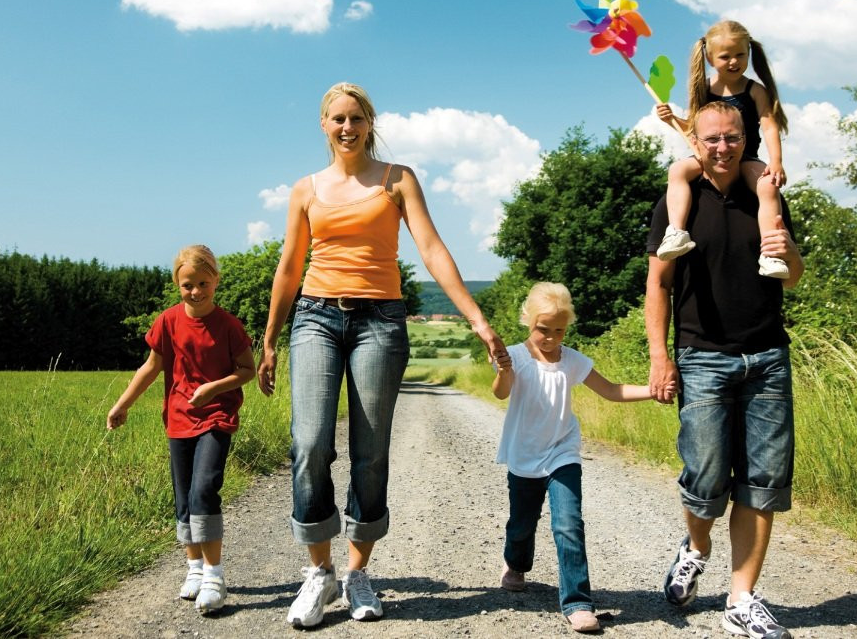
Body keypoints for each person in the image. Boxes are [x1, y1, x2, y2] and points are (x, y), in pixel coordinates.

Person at [257, 81, 507, 629]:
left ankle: (357, 571)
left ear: (370, 123)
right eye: (337, 119)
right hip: (316, 316)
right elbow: (288, 267)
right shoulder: (305, 190)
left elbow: (432, 248)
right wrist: (270, 337)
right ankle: (319, 573)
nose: (347, 128)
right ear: (323, 125)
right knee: (309, 441)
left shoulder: (398, 180)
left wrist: (477, 318)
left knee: (370, 450)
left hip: (380, 321)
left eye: (357, 118)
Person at [645, 102, 804, 639]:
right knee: (706, 476)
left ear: (745, 139)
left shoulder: (767, 192)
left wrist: (789, 253)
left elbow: (793, 274)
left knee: (762, 480)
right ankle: (696, 546)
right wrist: (660, 356)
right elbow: (658, 285)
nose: (722, 147)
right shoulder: (676, 201)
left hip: (766, 355)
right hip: (702, 354)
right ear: (696, 141)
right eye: (711, 138)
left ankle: (741, 598)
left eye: (731, 137)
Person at [492, 282, 652, 635]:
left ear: (568, 327)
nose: (550, 338)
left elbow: (611, 390)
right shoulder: (515, 357)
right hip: (524, 455)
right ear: (527, 321)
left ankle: (578, 602)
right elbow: (501, 392)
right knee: (522, 524)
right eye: (542, 329)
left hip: (563, 452)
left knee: (568, 523)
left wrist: (652, 391)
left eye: (559, 331)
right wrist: (504, 371)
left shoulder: (573, 361)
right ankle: (515, 564)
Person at [106, 244, 256, 616]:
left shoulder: (228, 325)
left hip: (216, 416)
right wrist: (122, 404)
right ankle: (193, 568)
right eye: (187, 284)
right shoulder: (168, 322)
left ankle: (214, 575)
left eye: (203, 283)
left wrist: (213, 388)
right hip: (178, 419)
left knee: (204, 489)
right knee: (184, 496)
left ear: (216, 281)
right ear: (177, 283)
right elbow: (150, 367)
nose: (195, 291)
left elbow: (247, 370)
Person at [654, 20, 791, 279]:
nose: (733, 61)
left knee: (767, 185)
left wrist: (776, 161)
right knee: (678, 170)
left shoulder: (754, 90)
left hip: (745, 157)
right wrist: (671, 118)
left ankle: (770, 254)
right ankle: (676, 232)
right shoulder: (703, 88)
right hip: (708, 159)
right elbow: (693, 132)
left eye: (740, 54)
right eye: (725, 56)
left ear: (749, 52)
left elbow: (770, 126)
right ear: (708, 57)